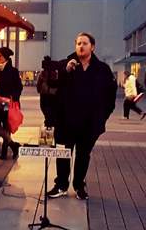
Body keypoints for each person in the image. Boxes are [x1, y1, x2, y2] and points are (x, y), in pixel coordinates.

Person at [47, 32, 116, 201]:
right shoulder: (65, 65)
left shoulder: (102, 69)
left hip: (90, 123)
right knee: (63, 154)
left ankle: (79, 186)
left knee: (83, 155)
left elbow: (110, 96)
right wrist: (65, 71)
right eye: (78, 43)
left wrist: (102, 117)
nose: (81, 46)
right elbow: (50, 86)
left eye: (85, 43)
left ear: (92, 47)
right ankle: (61, 185)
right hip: (66, 122)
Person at [0, 47, 23, 159]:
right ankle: (13, 145)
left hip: (7, 104)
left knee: (6, 126)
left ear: (5, 57)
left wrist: (10, 99)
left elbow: (18, 88)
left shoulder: (13, 71)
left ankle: (4, 151)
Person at [36, 56, 60, 127]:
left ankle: (48, 124)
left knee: (46, 111)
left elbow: (38, 86)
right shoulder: (56, 73)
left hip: (44, 95)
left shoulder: (42, 74)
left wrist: (40, 90)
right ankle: (51, 124)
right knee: (52, 112)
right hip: (53, 95)